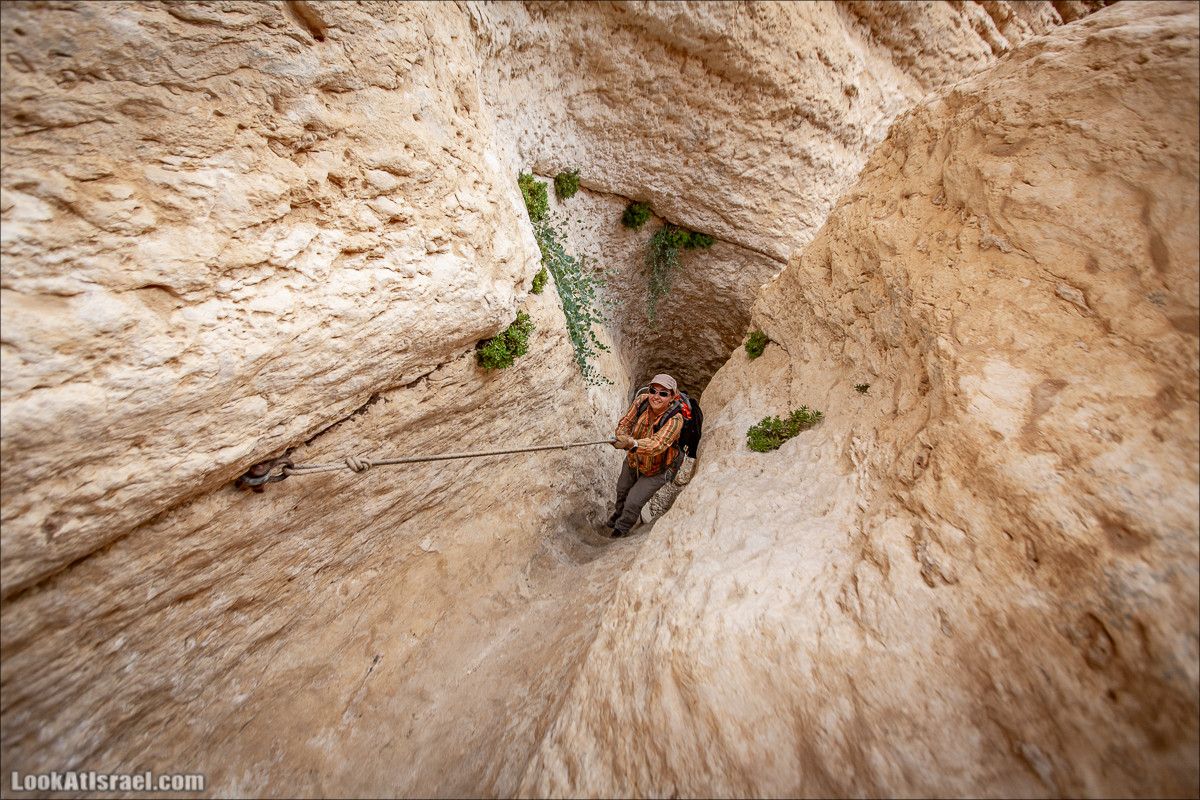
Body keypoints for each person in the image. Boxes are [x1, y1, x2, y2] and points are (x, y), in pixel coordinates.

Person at [605, 373, 686, 538]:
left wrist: (631, 443)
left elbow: (657, 445)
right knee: (622, 489)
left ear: (672, 397)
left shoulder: (675, 420)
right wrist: (621, 436)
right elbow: (626, 422)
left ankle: (621, 529)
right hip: (635, 459)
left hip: (658, 468)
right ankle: (617, 514)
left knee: (633, 501)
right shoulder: (642, 401)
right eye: (653, 390)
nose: (656, 396)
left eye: (663, 393)